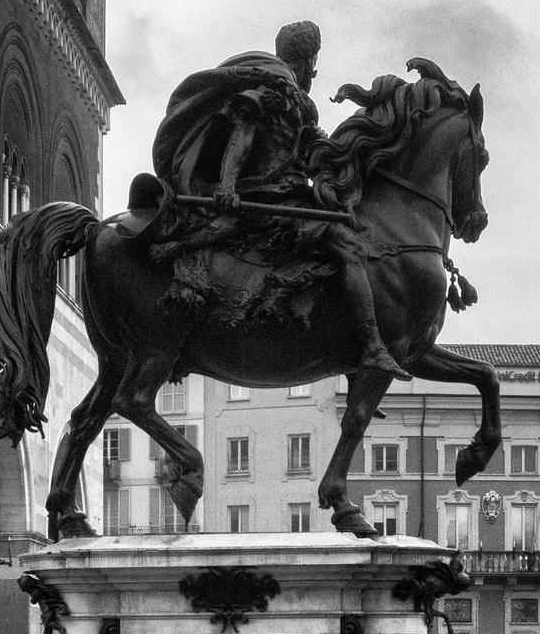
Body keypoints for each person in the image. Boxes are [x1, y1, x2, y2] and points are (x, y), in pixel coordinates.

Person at [150, 20, 409, 380]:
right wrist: (227, 185)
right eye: (315, 63)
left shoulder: (296, 100)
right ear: (309, 60)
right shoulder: (272, 89)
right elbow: (243, 134)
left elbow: (315, 154)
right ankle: (370, 348)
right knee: (350, 248)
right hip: (268, 198)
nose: (314, 74)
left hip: (293, 199)